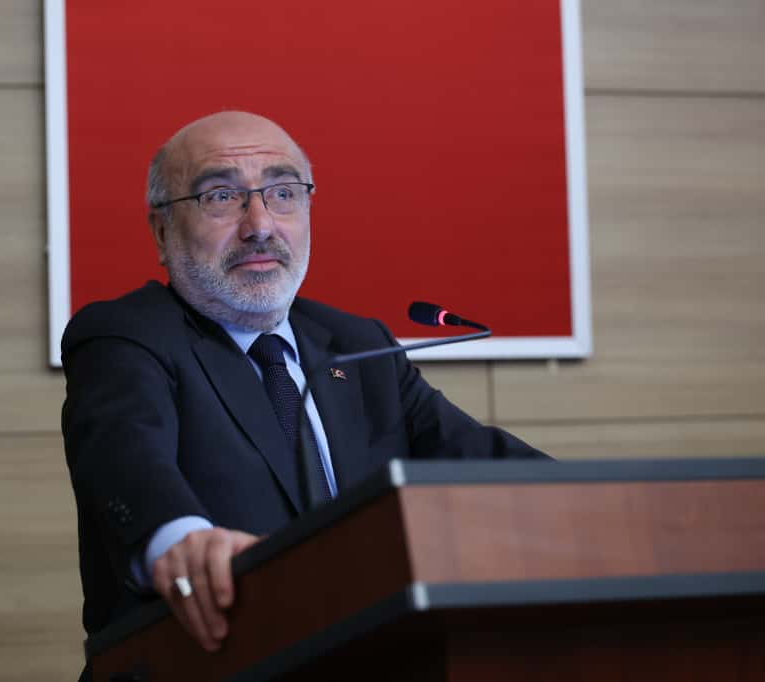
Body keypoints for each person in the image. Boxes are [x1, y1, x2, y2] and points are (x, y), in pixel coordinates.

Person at [60, 111, 548, 672]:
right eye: (221, 197)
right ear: (162, 231)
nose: (260, 225)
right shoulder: (126, 336)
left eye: (283, 193)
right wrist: (179, 540)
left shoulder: (358, 343)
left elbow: (480, 461)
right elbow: (124, 456)